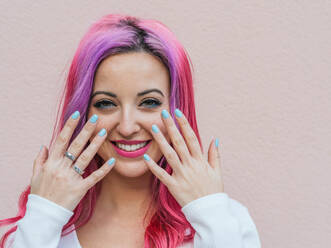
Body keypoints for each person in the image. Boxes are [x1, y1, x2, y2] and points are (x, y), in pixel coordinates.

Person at [0, 14, 262, 248]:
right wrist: (44, 215)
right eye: (105, 103)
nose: (126, 127)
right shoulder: (40, 225)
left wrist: (210, 211)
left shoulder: (226, 221)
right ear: (82, 112)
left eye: (149, 103)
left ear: (177, 108)